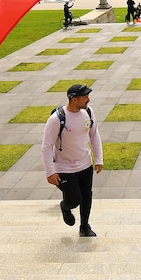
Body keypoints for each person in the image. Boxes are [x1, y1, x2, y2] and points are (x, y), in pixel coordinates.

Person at [41, 83, 103, 237]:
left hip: (85, 164)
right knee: (75, 199)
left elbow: (94, 135)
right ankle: (66, 206)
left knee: (87, 196)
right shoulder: (56, 120)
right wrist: (50, 172)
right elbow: (46, 146)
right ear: (73, 99)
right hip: (64, 168)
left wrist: (98, 159)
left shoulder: (88, 112)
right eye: (85, 97)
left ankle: (84, 227)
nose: (88, 99)